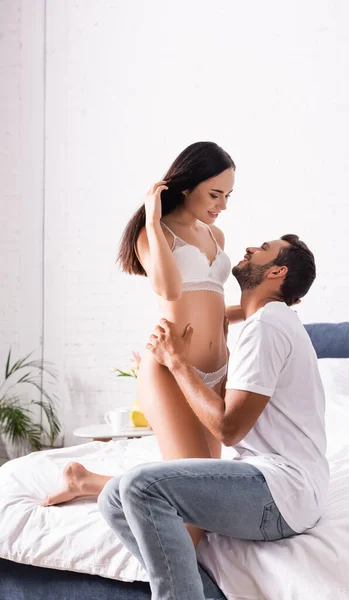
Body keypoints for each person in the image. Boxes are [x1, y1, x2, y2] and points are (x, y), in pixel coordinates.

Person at [97, 234, 330, 600]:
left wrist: (176, 362)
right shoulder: (269, 320)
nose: (252, 247)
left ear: (277, 271)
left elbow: (228, 428)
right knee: (112, 497)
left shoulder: (267, 326)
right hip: (279, 488)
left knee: (141, 486)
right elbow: (226, 400)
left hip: (282, 493)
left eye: (264, 249)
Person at [41, 142, 240, 542]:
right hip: (170, 372)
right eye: (215, 194)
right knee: (194, 516)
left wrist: (258, 310)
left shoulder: (214, 234)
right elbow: (169, 289)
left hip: (215, 374)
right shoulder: (154, 235)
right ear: (187, 186)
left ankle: (85, 479)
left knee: (206, 493)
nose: (222, 205)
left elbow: (213, 308)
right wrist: (152, 220)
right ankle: (87, 483)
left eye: (228, 196)